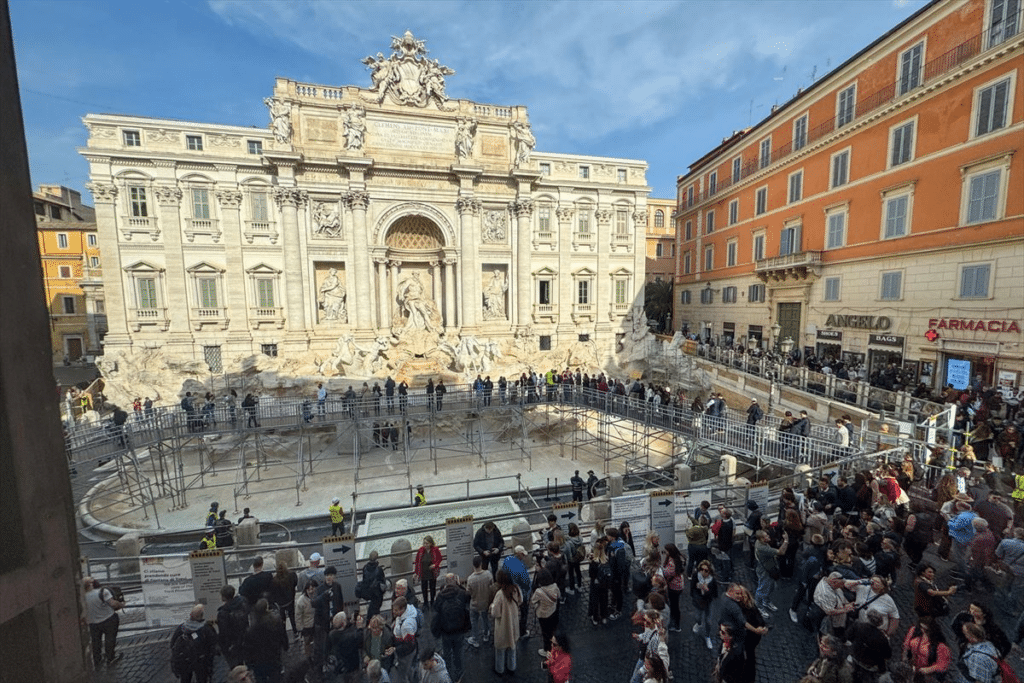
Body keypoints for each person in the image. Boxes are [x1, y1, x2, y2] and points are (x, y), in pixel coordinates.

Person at [431, 573, 470, 682]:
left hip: (446, 631)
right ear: (455, 581)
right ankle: (460, 674)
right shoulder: (461, 593)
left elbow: (436, 609)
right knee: (459, 652)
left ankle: (447, 674)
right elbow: (469, 597)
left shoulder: (441, 596)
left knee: (447, 653)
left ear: (446, 582)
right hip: (460, 629)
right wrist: (460, 585)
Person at [242, 598, 289, 683]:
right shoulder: (275, 622)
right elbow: (282, 636)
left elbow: (248, 648)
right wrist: (285, 646)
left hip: (259, 662)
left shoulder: (252, 629)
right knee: (276, 678)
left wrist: (249, 664)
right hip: (274, 657)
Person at [170, 604, 217, 683]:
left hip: (185, 660)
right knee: (202, 679)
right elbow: (213, 644)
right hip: (201, 660)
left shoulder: (182, 628)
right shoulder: (206, 628)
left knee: (185, 679)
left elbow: (173, 644)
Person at [84, 577, 125, 667]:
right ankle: (110, 658)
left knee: (96, 642)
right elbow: (113, 604)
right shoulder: (103, 592)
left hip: (93, 624)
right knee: (110, 639)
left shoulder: (82, 597)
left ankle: (97, 661)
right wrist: (121, 604)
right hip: (109, 619)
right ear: (91, 584)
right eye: (92, 580)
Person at [490, 568, 522, 675]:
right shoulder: (516, 589)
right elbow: (520, 601)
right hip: (514, 623)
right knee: (512, 648)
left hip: (503, 626)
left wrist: (492, 606)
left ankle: (500, 669)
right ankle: (512, 667)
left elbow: (495, 613)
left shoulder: (500, 594)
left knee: (500, 651)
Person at [904, 617, 951, 683]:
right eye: (921, 627)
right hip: (914, 669)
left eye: (926, 630)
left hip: (927, 675)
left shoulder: (940, 645)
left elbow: (942, 664)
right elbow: (906, 646)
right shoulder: (914, 631)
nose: (923, 630)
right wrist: (906, 659)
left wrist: (929, 669)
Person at [753, 529, 788, 617]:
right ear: (761, 539)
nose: (769, 537)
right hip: (765, 571)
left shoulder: (760, 542)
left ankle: (766, 601)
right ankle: (759, 606)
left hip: (769, 569)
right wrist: (786, 540)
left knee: (770, 587)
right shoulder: (762, 548)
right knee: (762, 589)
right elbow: (781, 552)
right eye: (766, 536)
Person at [531, 568, 561, 658]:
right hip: (553, 611)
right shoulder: (555, 586)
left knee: (545, 633)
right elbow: (558, 596)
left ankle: (547, 650)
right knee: (552, 630)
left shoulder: (539, 591)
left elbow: (533, 601)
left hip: (543, 615)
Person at [218, 585, 250, 668]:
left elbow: (224, 632)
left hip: (233, 642)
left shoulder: (223, 612)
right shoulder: (243, 602)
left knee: (235, 665)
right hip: (245, 637)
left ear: (224, 597)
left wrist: (223, 647)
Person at [326, 611, 363, 683]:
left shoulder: (331, 634)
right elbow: (360, 638)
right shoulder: (349, 637)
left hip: (340, 667)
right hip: (352, 667)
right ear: (343, 623)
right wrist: (360, 627)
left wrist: (351, 624)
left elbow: (344, 630)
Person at [466, 555, 494, 648]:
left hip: (475, 604)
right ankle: (486, 634)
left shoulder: (470, 579)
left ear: (473, 565)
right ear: (481, 564)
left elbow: (468, 592)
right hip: (485, 602)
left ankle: (475, 639)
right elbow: (492, 586)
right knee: (485, 619)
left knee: (474, 621)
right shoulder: (488, 574)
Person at [690, 559, 719, 649]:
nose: (703, 572)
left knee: (708, 621)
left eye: (706, 570)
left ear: (709, 571)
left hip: (708, 603)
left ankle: (707, 637)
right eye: (701, 569)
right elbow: (692, 591)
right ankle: (698, 624)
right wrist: (698, 591)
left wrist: (707, 590)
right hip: (699, 602)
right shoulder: (696, 576)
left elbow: (715, 595)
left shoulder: (712, 581)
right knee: (698, 617)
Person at [391, 596, 419, 683]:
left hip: (406, 654)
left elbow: (408, 644)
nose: (393, 612)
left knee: (404, 674)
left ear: (402, 609)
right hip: (410, 650)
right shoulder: (408, 614)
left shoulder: (406, 625)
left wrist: (396, 649)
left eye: (395, 610)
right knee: (410, 669)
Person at [268, 562, 298, 637]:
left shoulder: (274, 580)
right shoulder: (292, 575)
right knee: (292, 616)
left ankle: (284, 635)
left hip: (280, 603)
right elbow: (295, 583)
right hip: (290, 600)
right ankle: (295, 632)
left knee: (282, 618)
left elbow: (272, 592)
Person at [415, 535, 442, 609]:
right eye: (424, 543)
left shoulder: (435, 549)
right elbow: (417, 561)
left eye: (427, 543)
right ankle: (425, 602)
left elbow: (439, 559)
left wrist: (435, 565)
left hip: (432, 572)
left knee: (432, 587)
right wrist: (416, 573)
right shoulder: (421, 550)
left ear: (431, 543)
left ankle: (432, 601)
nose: (425, 545)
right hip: (423, 572)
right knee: (424, 588)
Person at [359, 550, 387, 620]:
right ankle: (375, 622)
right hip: (377, 593)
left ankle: (371, 621)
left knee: (371, 609)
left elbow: (364, 580)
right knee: (375, 609)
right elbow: (383, 583)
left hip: (368, 592)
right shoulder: (379, 569)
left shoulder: (365, 568)